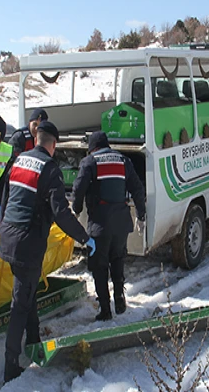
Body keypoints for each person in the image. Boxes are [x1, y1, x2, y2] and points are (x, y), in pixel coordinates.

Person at [0, 121, 95, 383]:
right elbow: (60, 211)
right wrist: (83, 237)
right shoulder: (49, 169)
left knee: (26, 290)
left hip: (8, 237)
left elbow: (5, 196)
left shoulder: (20, 160)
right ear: (53, 144)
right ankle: (10, 365)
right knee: (20, 303)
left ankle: (34, 339)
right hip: (27, 243)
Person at [72, 131, 146, 321]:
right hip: (121, 223)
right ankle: (120, 298)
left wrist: (77, 209)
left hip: (100, 225)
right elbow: (137, 188)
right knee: (118, 258)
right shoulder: (123, 161)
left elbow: (79, 187)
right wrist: (141, 215)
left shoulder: (89, 162)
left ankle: (105, 309)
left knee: (99, 266)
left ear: (92, 148)